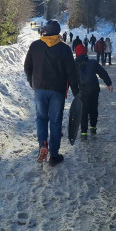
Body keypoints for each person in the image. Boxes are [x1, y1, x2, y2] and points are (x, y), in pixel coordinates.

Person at [24, 20, 79, 166]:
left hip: (40, 89)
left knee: (41, 118)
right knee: (55, 121)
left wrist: (32, 82)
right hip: (57, 90)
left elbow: (27, 66)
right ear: (58, 32)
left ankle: (43, 144)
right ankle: (54, 155)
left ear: (45, 31)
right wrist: (76, 92)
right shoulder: (64, 49)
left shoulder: (35, 46)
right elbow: (71, 72)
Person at [74, 44, 112, 139]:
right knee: (93, 109)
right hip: (94, 90)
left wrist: (75, 91)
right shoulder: (93, 62)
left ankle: (83, 133)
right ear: (86, 53)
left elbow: (71, 79)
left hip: (82, 91)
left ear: (77, 54)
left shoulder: (74, 65)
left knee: (84, 111)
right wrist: (109, 84)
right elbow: (103, 73)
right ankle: (93, 127)